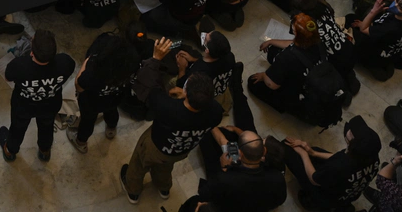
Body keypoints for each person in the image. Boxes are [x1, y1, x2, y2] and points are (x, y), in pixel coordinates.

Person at [123, 38, 224, 203]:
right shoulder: (215, 112)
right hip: (180, 150)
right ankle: (163, 188)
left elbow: (148, 82)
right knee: (165, 167)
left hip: (156, 146)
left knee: (139, 164)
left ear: (187, 94)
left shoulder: (166, 107)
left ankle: (133, 190)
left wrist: (156, 58)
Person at [0, 29, 75, 162]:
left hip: (23, 105)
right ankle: (44, 151)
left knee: (18, 128)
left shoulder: (19, 65)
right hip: (50, 105)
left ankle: (10, 150)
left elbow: (8, 78)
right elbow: (70, 70)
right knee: (47, 127)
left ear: (32, 52)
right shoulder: (64, 62)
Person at [283, 116, 381, 211]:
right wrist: (313, 153)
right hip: (348, 194)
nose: (349, 130)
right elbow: (337, 157)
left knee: (290, 151)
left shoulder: (340, 166)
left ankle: (313, 201)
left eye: (351, 133)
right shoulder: (372, 157)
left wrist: (304, 154)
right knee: (315, 152)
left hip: (328, 197)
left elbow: (314, 179)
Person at [197, 126, 288, 212]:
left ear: (240, 153)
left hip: (231, 204)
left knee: (206, 139)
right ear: (264, 151)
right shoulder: (278, 177)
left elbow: (204, 193)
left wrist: (223, 168)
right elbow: (280, 200)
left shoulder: (226, 178)